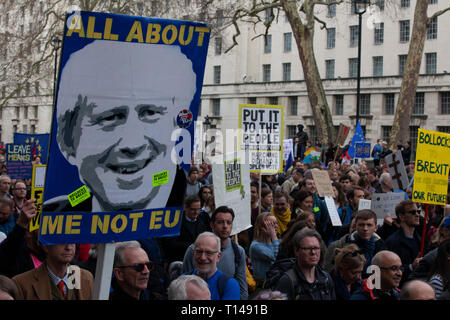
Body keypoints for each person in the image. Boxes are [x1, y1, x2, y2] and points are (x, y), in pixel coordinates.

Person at [43, 40, 197, 213]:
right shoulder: (55, 214)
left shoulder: (189, 213)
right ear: (67, 143)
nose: (132, 144)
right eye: (110, 118)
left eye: (150, 113)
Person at [183, 206, 248, 300]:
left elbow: (242, 289)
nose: (225, 226)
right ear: (212, 225)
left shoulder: (238, 252)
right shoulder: (192, 250)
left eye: (228, 222)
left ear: (218, 256)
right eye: (220, 222)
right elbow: (183, 287)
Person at [13, 242, 94, 300]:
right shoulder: (21, 284)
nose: (69, 247)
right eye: (62, 241)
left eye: (72, 241)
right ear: (46, 246)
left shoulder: (86, 278)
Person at [274, 228, 335, 300]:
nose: (313, 252)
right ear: (296, 250)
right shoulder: (288, 281)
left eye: (316, 248)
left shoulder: (326, 278)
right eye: (308, 248)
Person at [324, 210, 385, 274]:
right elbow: (328, 273)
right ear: (355, 226)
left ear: (376, 227)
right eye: (361, 225)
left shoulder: (382, 247)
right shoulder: (338, 246)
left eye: (369, 225)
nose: (365, 229)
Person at [189, 232, 240, 300]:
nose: (203, 257)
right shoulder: (182, 282)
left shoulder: (229, 285)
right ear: (193, 253)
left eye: (209, 253)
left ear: (218, 257)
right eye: (199, 252)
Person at [385, 200, 423, 286]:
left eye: (418, 211)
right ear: (402, 216)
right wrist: (411, 267)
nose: (417, 215)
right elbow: (389, 270)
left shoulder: (420, 240)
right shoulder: (393, 242)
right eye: (412, 212)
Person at [161, 195, 209, 263]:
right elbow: (170, 243)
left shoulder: (202, 220)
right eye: (193, 209)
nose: (196, 212)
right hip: (180, 260)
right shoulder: (175, 221)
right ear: (186, 207)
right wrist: (192, 246)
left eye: (198, 209)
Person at [249, 212, 281, 283]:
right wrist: (274, 236)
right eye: (271, 224)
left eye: (276, 223)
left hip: (276, 282)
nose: (275, 226)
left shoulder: (276, 242)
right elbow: (276, 257)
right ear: (262, 227)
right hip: (264, 285)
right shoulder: (256, 246)